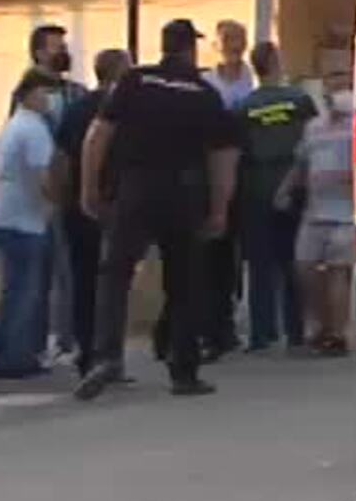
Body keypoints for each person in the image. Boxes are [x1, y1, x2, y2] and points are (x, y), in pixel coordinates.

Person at [76, 20, 240, 400]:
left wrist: (89, 189)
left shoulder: (134, 81)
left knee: (114, 273)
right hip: (184, 191)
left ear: (164, 46)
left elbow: (97, 136)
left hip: (134, 188)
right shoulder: (204, 93)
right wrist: (219, 210)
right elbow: (223, 158)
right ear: (191, 50)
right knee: (184, 282)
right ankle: (184, 371)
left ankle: (106, 356)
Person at [52, 49, 131, 378]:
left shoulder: (75, 109)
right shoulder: (124, 110)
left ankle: (87, 351)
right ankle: (107, 353)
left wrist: (64, 199)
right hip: (115, 203)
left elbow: (60, 158)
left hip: (78, 206)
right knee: (113, 281)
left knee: (84, 279)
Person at [235, 42, 317, 352]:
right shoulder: (298, 100)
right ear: (275, 61)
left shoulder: (243, 107)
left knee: (259, 266)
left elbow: (238, 153)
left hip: (256, 190)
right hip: (294, 187)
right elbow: (312, 142)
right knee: (293, 261)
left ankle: (261, 333)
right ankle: (295, 331)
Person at [0, 72, 61, 380]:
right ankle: (16, 358)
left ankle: (4, 353)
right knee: (25, 291)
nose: (51, 100)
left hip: (3, 214)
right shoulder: (33, 129)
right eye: (46, 92)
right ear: (29, 93)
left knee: (12, 290)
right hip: (25, 220)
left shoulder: (13, 125)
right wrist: (55, 203)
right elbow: (43, 177)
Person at [283, 68, 355, 356]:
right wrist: (286, 188)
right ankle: (319, 324)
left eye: (341, 87)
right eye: (330, 87)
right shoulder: (313, 127)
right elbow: (301, 162)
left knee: (338, 272)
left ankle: (336, 334)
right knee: (304, 267)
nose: (334, 94)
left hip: (346, 213)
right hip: (315, 211)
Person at [28, 24, 88, 363]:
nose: (63, 51)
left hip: (74, 188)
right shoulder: (30, 92)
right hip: (47, 192)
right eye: (56, 46)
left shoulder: (74, 91)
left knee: (71, 270)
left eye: (64, 44)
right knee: (45, 272)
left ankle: (68, 337)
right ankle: (41, 341)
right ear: (39, 52)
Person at [198, 20, 254, 358]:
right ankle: (211, 324)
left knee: (235, 254)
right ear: (217, 45)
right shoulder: (207, 82)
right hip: (210, 174)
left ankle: (229, 320)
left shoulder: (251, 80)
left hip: (244, 173)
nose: (235, 45)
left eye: (239, 39)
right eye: (228, 39)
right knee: (210, 252)